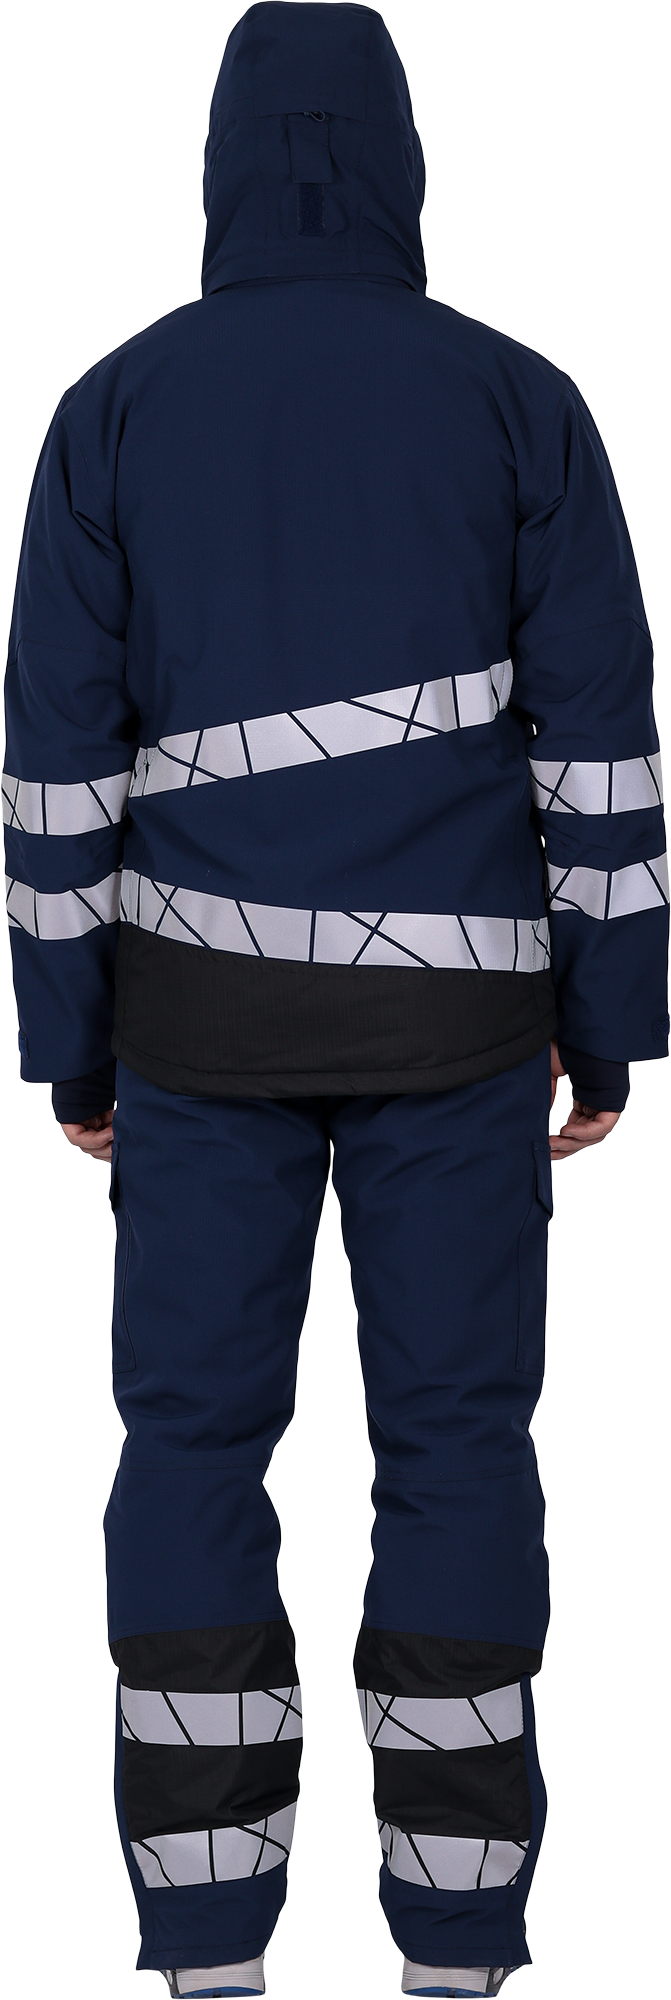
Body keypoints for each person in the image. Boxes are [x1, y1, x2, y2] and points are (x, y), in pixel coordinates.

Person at [4, 5, 668, 1998]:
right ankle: (457, 1930)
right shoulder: (520, 404)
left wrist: (72, 1039)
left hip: (193, 1039)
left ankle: (203, 1924)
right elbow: (602, 751)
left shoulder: (114, 411)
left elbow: (54, 774)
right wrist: (605, 1018)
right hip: (458, 1040)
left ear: (223, 163)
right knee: (458, 1440)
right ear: (399, 164)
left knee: (188, 1445)